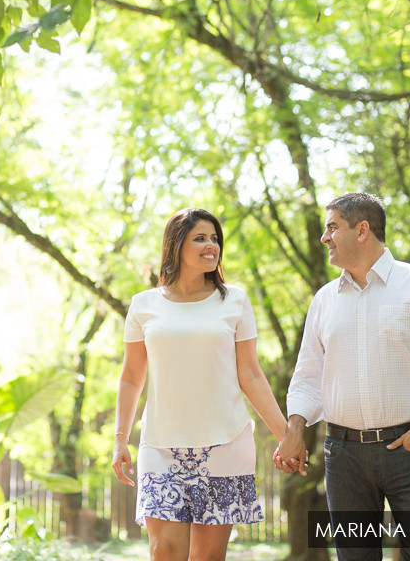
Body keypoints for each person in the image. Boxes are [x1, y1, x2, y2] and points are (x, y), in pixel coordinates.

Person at [275, 192, 410, 560]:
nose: (324, 237)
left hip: (409, 450)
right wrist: (295, 430)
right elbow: (307, 376)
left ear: (362, 230)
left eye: (332, 227)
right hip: (343, 455)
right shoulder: (324, 300)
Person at [112, 207, 288, 561]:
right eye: (200, 238)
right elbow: (132, 377)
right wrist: (119, 440)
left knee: (208, 557)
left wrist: (287, 435)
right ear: (176, 245)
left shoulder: (234, 300)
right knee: (165, 551)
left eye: (215, 238)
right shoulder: (144, 305)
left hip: (226, 444)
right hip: (160, 445)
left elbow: (251, 374)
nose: (212, 245)